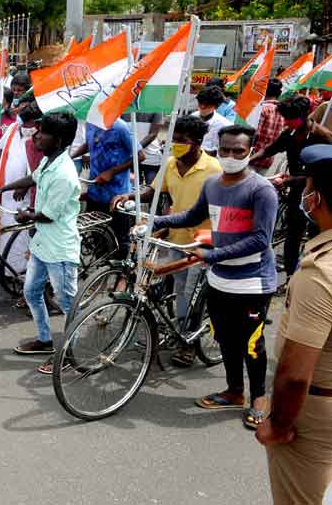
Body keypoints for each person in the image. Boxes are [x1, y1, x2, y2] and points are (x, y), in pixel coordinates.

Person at [152, 125, 278, 429]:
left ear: (250, 151)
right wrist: (154, 219)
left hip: (252, 282)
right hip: (219, 279)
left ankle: (258, 397)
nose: (231, 156)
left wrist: (211, 255)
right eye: (225, 150)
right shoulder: (212, 185)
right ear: (217, 149)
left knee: (251, 344)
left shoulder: (261, 190)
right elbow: (191, 217)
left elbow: (261, 239)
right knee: (225, 340)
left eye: (238, 150)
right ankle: (234, 391)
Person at [112, 115, 223, 366]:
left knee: (190, 294)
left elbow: (206, 212)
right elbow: (153, 190)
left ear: (197, 142)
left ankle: (189, 345)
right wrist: (130, 194)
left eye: (181, 141)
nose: (175, 144)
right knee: (178, 290)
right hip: (176, 240)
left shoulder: (213, 169)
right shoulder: (171, 163)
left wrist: (162, 223)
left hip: (202, 243)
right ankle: (179, 330)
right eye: (173, 139)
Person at [257, 145, 332, 504]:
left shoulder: (319, 272)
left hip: (315, 413)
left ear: (315, 198)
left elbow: (296, 374)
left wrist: (278, 425)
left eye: (307, 187)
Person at [0, 112, 81, 370]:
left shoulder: (64, 173)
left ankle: (69, 354)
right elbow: (33, 178)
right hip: (42, 245)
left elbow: (47, 216)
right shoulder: (48, 161)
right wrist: (4, 188)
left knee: (67, 303)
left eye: (42, 133)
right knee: (31, 292)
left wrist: (26, 215)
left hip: (59, 249)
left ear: (59, 139)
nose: (36, 136)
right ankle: (45, 340)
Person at [251, 95, 332, 286]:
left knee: (316, 236)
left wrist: (291, 180)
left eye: (290, 118)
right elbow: (269, 150)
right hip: (297, 193)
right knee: (292, 235)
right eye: (285, 119)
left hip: (318, 194)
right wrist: (247, 160)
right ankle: (290, 277)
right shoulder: (289, 133)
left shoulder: (323, 136)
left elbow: (326, 172)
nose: (286, 122)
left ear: (304, 116)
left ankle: (316, 275)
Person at [72, 119, 144, 256]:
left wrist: (112, 172)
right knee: (97, 237)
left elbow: (140, 156)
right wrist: (71, 157)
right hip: (95, 191)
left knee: (120, 239)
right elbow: (89, 144)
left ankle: (121, 273)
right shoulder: (90, 123)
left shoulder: (121, 127)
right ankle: (102, 272)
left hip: (117, 194)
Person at [0, 99, 39, 289]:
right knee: (5, 231)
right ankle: (7, 269)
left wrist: (26, 186)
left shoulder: (40, 135)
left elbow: (39, 165)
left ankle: (21, 272)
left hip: (26, 194)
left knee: (21, 234)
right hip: (6, 189)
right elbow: (0, 152)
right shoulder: (12, 128)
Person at [250, 78, 285, 176]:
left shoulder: (262, 109)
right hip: (268, 159)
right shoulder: (283, 111)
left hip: (253, 157)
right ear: (279, 93)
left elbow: (255, 134)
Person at [121, 112, 165, 184]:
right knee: (134, 190)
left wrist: (135, 150)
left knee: (150, 189)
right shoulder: (123, 106)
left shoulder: (156, 108)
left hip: (149, 158)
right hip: (132, 158)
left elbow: (153, 134)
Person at [191, 86, 232, 156]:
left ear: (216, 106)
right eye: (200, 103)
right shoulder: (192, 118)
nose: (202, 107)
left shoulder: (225, 125)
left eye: (207, 104)